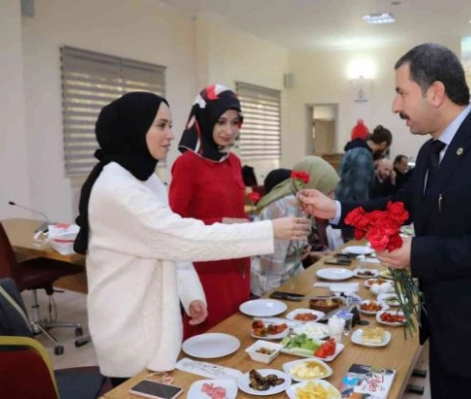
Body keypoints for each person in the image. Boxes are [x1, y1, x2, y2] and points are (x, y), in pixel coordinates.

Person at [299, 43, 471, 399]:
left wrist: (419, 253)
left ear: (435, 93)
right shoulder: (432, 148)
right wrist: (338, 210)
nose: (395, 106)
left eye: (402, 93)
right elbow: (402, 204)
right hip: (452, 328)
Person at [74, 92, 309, 386]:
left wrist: (190, 293)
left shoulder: (143, 178)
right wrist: (268, 230)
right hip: (130, 325)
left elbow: (170, 239)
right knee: (133, 389)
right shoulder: (117, 187)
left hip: (153, 317)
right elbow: (181, 235)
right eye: (161, 125)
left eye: (171, 125)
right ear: (134, 128)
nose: (171, 135)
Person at [168, 84, 256, 337]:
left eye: (235, 122)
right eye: (221, 122)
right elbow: (175, 224)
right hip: (207, 267)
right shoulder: (187, 164)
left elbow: (236, 210)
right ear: (205, 120)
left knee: (238, 333)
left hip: (237, 262)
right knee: (209, 340)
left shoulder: (233, 162)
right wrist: (224, 223)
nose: (229, 131)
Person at [250, 156, 340, 296]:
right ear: (314, 188)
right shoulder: (284, 210)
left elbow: (293, 253)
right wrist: (273, 303)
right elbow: (271, 271)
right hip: (270, 289)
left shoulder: (304, 204)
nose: (333, 197)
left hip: (290, 282)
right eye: (329, 192)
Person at [335, 124, 392, 203]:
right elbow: (360, 188)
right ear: (383, 144)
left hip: (342, 199)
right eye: (386, 150)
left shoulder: (353, 149)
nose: (384, 153)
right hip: (350, 203)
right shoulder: (363, 155)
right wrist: (365, 208)